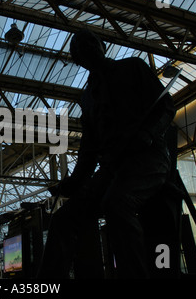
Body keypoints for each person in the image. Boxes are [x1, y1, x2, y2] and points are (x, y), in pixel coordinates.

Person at [37, 29, 176, 279]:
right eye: (79, 46)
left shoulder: (133, 67)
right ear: (77, 60)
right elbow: (89, 149)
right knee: (62, 220)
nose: (86, 47)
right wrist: (74, 182)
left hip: (148, 158)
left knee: (117, 203)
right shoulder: (88, 97)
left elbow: (166, 106)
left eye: (91, 41)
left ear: (103, 46)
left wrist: (148, 134)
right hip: (112, 169)